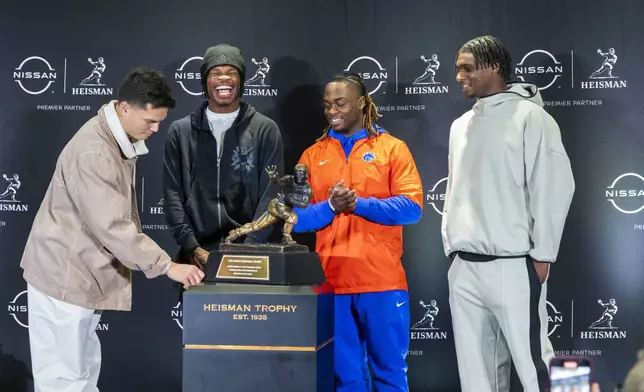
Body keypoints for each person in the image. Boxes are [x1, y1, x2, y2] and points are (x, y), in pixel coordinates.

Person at [20, 68, 205, 392]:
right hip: (63, 278)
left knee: (82, 373)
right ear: (124, 108)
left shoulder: (113, 139)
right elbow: (113, 226)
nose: (155, 128)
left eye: (159, 121)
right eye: (150, 121)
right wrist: (166, 265)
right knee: (64, 380)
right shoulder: (96, 151)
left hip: (78, 276)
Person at [441, 35, 575, 392]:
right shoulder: (460, 126)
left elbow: (554, 186)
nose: (459, 77)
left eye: (466, 68)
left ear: (494, 67)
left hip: (513, 262)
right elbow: (455, 190)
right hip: (465, 266)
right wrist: (452, 250)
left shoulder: (532, 117)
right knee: (476, 376)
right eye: (457, 69)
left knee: (536, 364)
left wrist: (543, 252)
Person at [292, 71, 423, 392]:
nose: (332, 111)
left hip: (382, 282)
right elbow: (296, 220)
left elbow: (412, 207)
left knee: (390, 375)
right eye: (327, 106)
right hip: (331, 285)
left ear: (362, 103)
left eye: (340, 103)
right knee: (346, 380)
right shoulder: (312, 155)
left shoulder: (392, 149)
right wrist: (331, 208)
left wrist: (358, 204)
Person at [163, 43, 284, 268]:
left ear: (241, 80)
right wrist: (191, 246)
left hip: (251, 253)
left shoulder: (265, 129)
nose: (224, 78)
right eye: (216, 72)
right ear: (205, 81)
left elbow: (271, 195)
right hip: (195, 257)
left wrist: (249, 247)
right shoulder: (180, 131)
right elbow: (172, 197)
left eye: (232, 72)